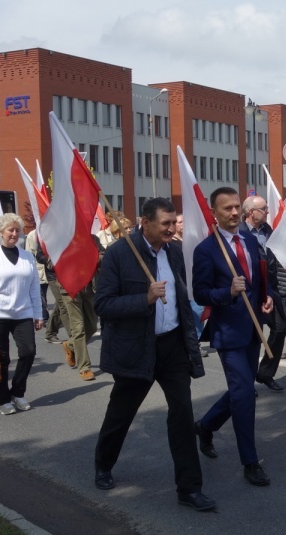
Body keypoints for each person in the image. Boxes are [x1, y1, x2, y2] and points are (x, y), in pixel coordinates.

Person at [93, 198, 214, 512]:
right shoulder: (120, 254)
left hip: (172, 347)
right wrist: (143, 299)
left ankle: (189, 488)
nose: (172, 230)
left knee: (183, 416)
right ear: (144, 222)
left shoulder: (174, 252)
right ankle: (103, 463)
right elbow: (103, 305)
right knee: (122, 412)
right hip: (136, 347)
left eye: (174, 223)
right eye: (166, 224)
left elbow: (182, 299)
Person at [193, 187, 274, 487]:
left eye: (236, 207)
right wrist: (226, 293)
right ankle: (250, 461)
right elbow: (199, 292)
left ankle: (205, 426)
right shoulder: (206, 250)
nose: (234, 213)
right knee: (243, 394)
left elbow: (261, 280)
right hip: (228, 331)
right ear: (214, 213)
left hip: (254, 327)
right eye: (226, 208)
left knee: (241, 391)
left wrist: (269, 298)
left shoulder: (250, 240)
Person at [0, 213, 44, 415]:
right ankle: (3, 399)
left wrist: (38, 314)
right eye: (10, 230)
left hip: (22, 313)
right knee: (2, 358)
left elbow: (34, 287)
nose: (14, 234)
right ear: (1, 232)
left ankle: (18, 392)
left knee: (28, 352)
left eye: (17, 230)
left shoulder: (27, 256)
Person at [239, 195, 284, 392]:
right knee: (251, 336)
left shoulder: (268, 231)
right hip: (249, 291)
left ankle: (265, 373)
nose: (267, 211)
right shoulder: (238, 233)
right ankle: (247, 381)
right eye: (263, 208)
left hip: (271, 289)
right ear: (251, 212)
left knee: (281, 328)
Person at [60, 236, 102, 382]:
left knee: (91, 326)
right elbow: (50, 259)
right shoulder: (63, 238)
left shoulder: (93, 239)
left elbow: (102, 257)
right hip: (70, 288)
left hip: (89, 288)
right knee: (78, 329)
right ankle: (84, 367)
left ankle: (70, 345)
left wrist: (96, 257)